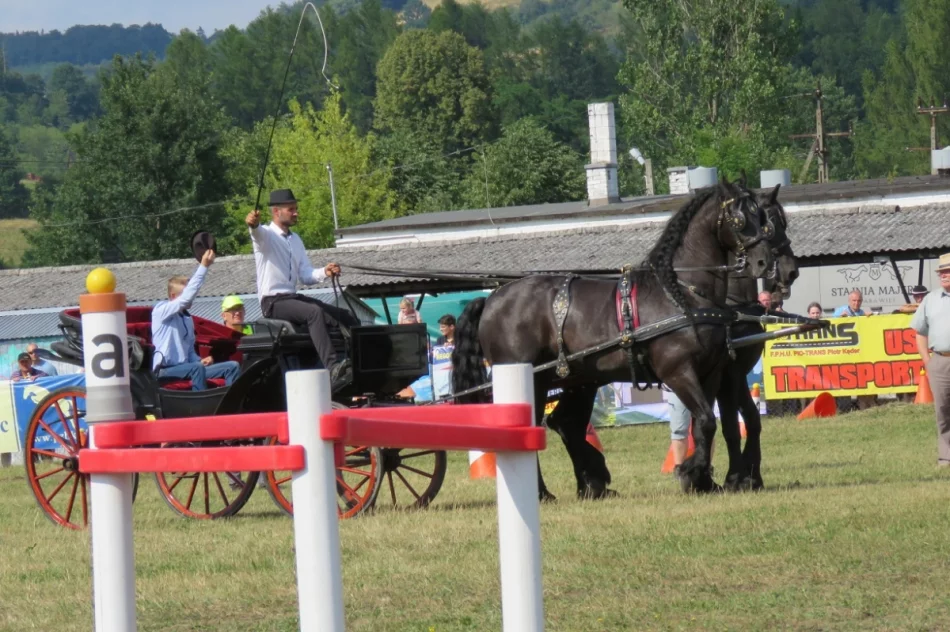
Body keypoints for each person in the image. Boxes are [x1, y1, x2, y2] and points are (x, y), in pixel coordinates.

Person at [246, 189, 358, 391]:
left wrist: (326, 271)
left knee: (345, 316)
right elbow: (256, 232)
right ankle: (332, 368)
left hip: (292, 297)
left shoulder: (296, 240)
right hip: (274, 302)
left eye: (296, 209)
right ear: (276, 212)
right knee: (314, 312)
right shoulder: (266, 236)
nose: (296, 213)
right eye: (292, 209)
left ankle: (354, 365)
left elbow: (305, 275)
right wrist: (252, 224)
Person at [151, 249, 240, 391]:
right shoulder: (161, 310)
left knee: (232, 366)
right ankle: (200, 408)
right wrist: (204, 266)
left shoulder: (187, 318)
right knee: (196, 368)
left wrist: (200, 360)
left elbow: (190, 351)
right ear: (174, 297)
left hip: (188, 367)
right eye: (185, 294)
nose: (191, 298)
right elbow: (187, 298)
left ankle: (230, 408)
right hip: (165, 371)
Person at [911, 253, 950, 467]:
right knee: (943, 410)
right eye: (941, 272)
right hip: (940, 361)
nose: (943, 275)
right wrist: (928, 361)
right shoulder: (931, 299)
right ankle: (946, 457)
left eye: (947, 270)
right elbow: (920, 332)